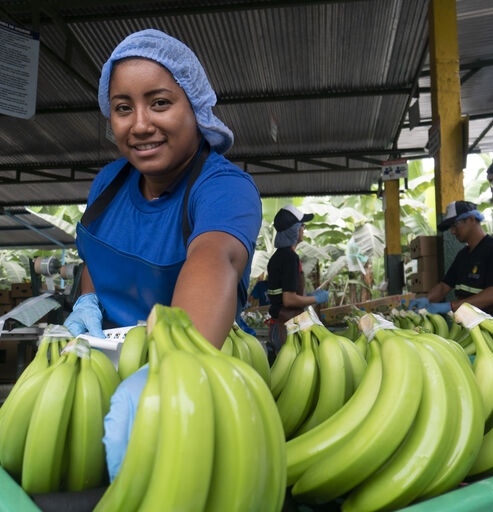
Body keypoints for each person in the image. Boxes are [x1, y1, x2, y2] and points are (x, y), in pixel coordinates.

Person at [62, 29, 262, 481]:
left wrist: (171, 373)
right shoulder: (109, 183)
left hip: (195, 375)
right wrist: (86, 302)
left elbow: (213, 259)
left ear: (195, 107)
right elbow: (98, 257)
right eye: (122, 108)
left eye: (159, 102)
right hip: (110, 366)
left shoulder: (222, 187)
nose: (139, 125)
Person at [409, 200, 493, 324]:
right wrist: (426, 299)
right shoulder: (463, 255)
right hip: (467, 323)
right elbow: (444, 286)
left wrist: (451, 306)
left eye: (455, 225)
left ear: (471, 219)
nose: (452, 231)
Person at [266, 205, 329, 359]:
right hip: (288, 329)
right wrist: (316, 298)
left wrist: (307, 296)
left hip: (278, 326)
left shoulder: (277, 257)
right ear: (295, 229)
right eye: (302, 225)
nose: (304, 229)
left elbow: (282, 294)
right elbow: (289, 300)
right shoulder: (290, 258)